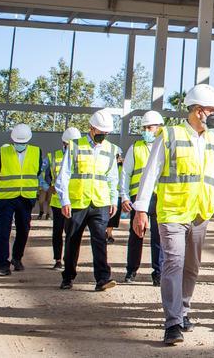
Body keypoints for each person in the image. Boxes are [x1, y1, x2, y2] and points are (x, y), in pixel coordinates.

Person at [132, 84, 214, 346]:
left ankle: (184, 309)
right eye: (212, 110)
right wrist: (140, 209)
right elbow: (151, 172)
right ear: (198, 111)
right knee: (173, 263)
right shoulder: (169, 135)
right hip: (172, 211)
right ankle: (172, 322)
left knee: (192, 266)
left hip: (200, 212)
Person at [55, 110, 120, 291]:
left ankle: (102, 279)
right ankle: (68, 276)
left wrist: (113, 200)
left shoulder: (111, 149)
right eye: (101, 132)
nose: (104, 135)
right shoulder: (75, 146)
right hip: (77, 203)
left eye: (106, 133)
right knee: (72, 240)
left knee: (100, 239)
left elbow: (112, 177)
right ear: (91, 128)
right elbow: (64, 175)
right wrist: (65, 200)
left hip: (100, 202)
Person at [0, 124, 42, 276]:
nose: (20, 145)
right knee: (3, 231)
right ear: (12, 140)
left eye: (23, 142)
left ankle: (17, 258)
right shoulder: (1, 152)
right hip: (7, 198)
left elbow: (37, 171)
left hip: (25, 198)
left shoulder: (36, 151)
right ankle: (3, 265)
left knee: (23, 230)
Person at [122, 110, 164, 285]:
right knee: (136, 234)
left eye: (150, 127)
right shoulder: (135, 148)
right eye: (145, 127)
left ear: (159, 128)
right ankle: (131, 270)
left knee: (159, 237)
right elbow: (125, 173)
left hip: (160, 197)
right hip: (139, 199)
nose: (147, 130)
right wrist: (124, 196)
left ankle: (158, 272)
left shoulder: (166, 146)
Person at [47, 127, 81, 270]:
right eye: (68, 144)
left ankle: (70, 259)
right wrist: (49, 185)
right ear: (63, 143)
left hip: (75, 201)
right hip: (57, 201)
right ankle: (57, 259)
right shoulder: (53, 157)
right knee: (57, 231)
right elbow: (45, 176)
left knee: (72, 233)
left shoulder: (82, 156)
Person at [106, 146, 124, 244]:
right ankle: (108, 234)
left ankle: (109, 233)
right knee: (105, 215)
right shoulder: (106, 165)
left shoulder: (122, 167)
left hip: (117, 194)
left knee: (113, 215)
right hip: (105, 194)